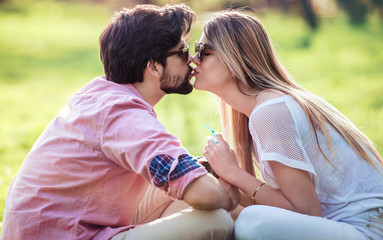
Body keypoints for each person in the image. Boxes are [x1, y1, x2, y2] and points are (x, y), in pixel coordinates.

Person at [0, 5, 240, 240]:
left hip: (53, 224)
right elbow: (206, 195)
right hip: (67, 233)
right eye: (182, 51)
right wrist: (230, 196)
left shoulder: (102, 93)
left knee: (185, 190)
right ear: (154, 67)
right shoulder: (122, 114)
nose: (191, 59)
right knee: (216, 219)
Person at [192, 10, 383, 240]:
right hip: (345, 226)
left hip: (368, 229)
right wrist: (229, 184)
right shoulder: (262, 108)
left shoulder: (270, 112)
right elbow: (289, 208)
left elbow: (307, 213)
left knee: (251, 223)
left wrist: (233, 173)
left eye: (203, 51)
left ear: (234, 58)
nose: (194, 59)